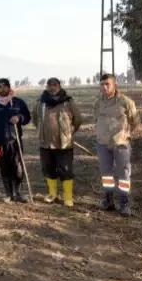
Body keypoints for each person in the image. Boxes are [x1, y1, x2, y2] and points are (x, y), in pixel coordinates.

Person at [32, 77, 83, 207]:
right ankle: (52, 194)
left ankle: (68, 198)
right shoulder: (40, 102)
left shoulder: (68, 101)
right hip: (46, 143)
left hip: (64, 143)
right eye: (49, 85)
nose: (52, 87)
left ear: (59, 86)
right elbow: (35, 119)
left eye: (54, 84)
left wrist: (69, 133)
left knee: (65, 170)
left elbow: (78, 120)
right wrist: (42, 131)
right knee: (48, 169)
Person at [94, 74, 139, 216]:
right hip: (103, 144)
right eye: (102, 84)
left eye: (107, 84)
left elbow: (135, 121)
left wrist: (124, 135)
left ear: (114, 85)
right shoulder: (98, 103)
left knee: (123, 174)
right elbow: (96, 120)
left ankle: (124, 203)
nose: (104, 87)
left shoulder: (126, 102)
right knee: (106, 175)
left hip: (121, 144)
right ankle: (108, 201)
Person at [0, 79, 32, 203]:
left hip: (15, 140)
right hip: (0, 142)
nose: (2, 89)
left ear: (9, 87)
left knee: (17, 167)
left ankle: (18, 192)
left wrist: (19, 117)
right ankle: (8, 193)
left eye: (4, 86)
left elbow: (27, 117)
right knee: (4, 168)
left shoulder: (18, 102)